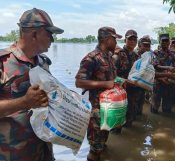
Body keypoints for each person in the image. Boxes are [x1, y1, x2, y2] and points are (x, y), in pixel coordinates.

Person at [0, 8, 64, 161]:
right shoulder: (3, 63)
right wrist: (24, 102)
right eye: (49, 34)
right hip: (13, 154)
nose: (52, 40)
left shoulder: (43, 62)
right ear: (34, 34)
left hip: (43, 150)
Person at [75, 26, 121, 161]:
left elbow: (111, 79)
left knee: (103, 141)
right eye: (115, 39)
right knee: (95, 148)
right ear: (107, 39)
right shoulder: (92, 58)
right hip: (97, 111)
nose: (117, 43)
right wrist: (105, 84)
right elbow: (79, 82)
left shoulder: (109, 57)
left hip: (108, 108)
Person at [113, 29, 139, 128]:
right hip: (119, 90)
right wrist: (123, 80)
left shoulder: (137, 56)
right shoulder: (118, 54)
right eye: (130, 39)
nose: (132, 41)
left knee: (129, 118)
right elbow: (111, 74)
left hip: (132, 90)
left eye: (134, 39)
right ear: (125, 40)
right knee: (117, 119)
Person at [151, 34, 175, 113]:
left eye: (166, 41)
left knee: (167, 108)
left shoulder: (173, 54)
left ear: (169, 42)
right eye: (163, 41)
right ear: (159, 42)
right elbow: (155, 66)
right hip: (158, 82)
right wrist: (168, 68)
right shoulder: (156, 53)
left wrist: (170, 76)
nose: (165, 42)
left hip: (169, 82)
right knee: (154, 107)